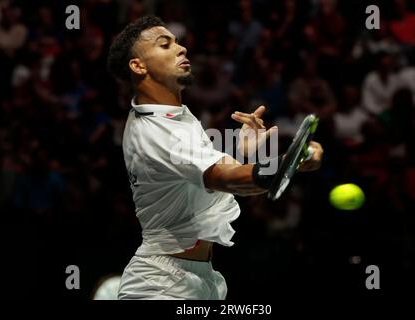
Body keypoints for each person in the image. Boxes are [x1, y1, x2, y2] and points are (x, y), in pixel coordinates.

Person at [107, 15, 323, 300]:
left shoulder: (173, 117)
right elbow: (231, 180)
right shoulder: (158, 130)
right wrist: (291, 159)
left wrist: (245, 153)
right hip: (161, 285)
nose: (181, 48)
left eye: (178, 41)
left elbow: (212, 179)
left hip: (198, 279)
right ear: (138, 65)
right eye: (165, 44)